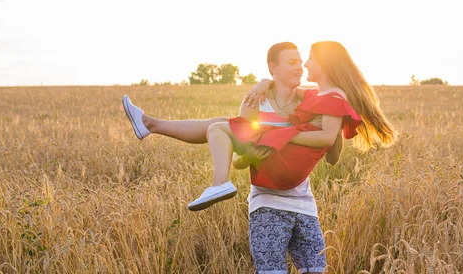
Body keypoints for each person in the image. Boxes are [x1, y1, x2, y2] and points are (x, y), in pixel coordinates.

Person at [123, 41, 337, 274]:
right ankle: (152, 125)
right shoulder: (256, 101)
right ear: (273, 67)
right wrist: (251, 156)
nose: (300, 67)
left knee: (317, 270)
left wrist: (332, 130)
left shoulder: (310, 100)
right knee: (223, 126)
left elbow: (332, 140)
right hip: (267, 203)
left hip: (304, 203)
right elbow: (239, 159)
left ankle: (151, 125)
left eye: (300, 61)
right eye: (292, 62)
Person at [187, 41, 396, 212]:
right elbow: (293, 93)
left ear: (325, 64)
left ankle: (218, 182)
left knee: (220, 127)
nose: (305, 64)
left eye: (310, 59)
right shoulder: (316, 95)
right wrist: (265, 82)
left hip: (292, 192)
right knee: (220, 125)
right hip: (282, 194)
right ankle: (155, 126)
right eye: (298, 61)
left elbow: (329, 147)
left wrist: (282, 134)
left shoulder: (333, 97)